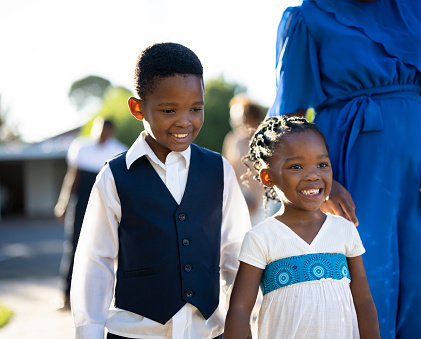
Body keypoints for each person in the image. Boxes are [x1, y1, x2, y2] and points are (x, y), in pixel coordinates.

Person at [267, 1, 421, 338]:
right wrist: (320, 182)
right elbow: (290, 118)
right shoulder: (310, 16)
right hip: (349, 170)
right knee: (365, 286)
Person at [70, 42, 251, 339]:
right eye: (169, 110)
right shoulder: (114, 177)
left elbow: (236, 253)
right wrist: (88, 333)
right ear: (137, 107)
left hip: (209, 333)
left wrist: (239, 323)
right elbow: (95, 262)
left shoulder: (219, 170)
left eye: (196, 108)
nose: (185, 121)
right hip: (136, 334)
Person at [224, 116, 380, 339]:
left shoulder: (344, 230)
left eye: (322, 164)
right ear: (268, 177)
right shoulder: (261, 237)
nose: (313, 175)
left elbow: (363, 300)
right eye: (296, 166)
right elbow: (240, 309)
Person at [54, 117, 127, 310]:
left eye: (106, 131)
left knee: (111, 249)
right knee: (73, 248)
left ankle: (108, 299)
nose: (102, 134)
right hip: (80, 204)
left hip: (107, 204)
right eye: (99, 129)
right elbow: (72, 178)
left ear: (111, 132)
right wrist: (63, 203)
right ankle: (67, 296)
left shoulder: (119, 151)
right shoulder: (81, 147)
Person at [222, 94, 266, 224]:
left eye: (238, 116)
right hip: (238, 201)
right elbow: (227, 171)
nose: (234, 120)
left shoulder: (264, 142)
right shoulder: (231, 140)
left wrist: (256, 200)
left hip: (262, 205)